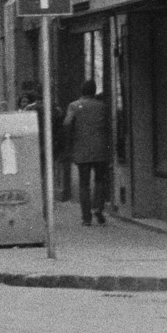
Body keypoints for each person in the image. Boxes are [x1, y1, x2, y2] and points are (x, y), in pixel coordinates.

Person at [62, 79, 111, 226]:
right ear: (94, 91)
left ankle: (86, 217)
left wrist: (70, 143)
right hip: (100, 148)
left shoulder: (74, 106)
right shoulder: (102, 106)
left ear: (82, 90)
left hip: (81, 149)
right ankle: (99, 207)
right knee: (100, 180)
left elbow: (67, 124)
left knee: (84, 183)